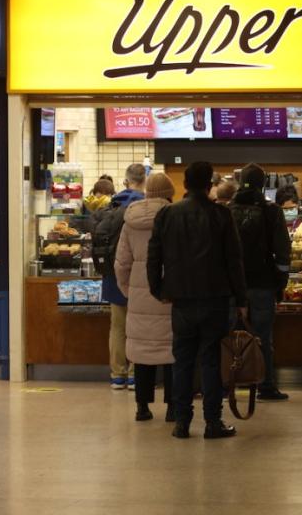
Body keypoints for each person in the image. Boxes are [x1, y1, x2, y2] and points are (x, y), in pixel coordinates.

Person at [147, 161, 248, 439]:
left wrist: (158, 289)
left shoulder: (168, 214)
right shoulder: (221, 215)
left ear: (185, 184)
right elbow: (234, 261)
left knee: (182, 361)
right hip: (215, 298)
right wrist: (241, 298)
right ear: (208, 185)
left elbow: (154, 255)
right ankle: (213, 422)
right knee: (212, 361)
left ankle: (182, 422)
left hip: (181, 299)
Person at [115, 172, 176, 422]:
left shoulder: (130, 220)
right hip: (170, 295)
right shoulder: (174, 217)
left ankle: (142, 407)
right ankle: (173, 407)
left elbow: (121, 263)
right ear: (169, 194)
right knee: (173, 352)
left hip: (140, 295)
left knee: (141, 354)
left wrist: (130, 291)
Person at [229, 164, 292, 401]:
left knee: (229, 336)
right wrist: (281, 283)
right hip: (263, 284)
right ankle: (266, 386)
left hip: (232, 285)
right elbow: (282, 251)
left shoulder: (227, 210)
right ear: (263, 184)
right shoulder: (271, 211)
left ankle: (228, 383)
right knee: (263, 337)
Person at [95, 163, 146, 391]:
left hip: (113, 274)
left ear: (125, 181)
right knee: (140, 326)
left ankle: (118, 376)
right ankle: (136, 374)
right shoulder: (146, 207)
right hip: (139, 275)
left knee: (117, 327)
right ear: (143, 180)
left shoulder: (111, 205)